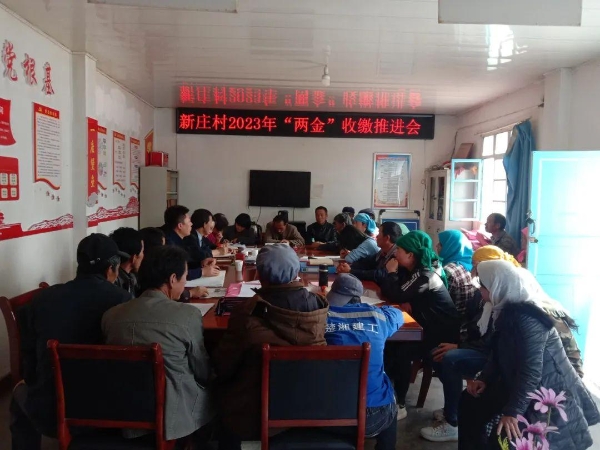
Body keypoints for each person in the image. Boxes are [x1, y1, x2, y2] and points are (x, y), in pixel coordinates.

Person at [459, 260, 599, 450]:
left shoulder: (528, 319)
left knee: (505, 439)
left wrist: (513, 412)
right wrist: (484, 378)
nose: (479, 291)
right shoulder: (501, 310)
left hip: (545, 392)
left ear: (497, 286)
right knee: (469, 402)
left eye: (482, 286)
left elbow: (531, 371)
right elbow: (497, 352)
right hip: (517, 382)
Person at [11, 234, 131, 450]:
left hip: (51, 413)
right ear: (110, 269)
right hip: (109, 413)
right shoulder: (121, 300)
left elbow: (30, 361)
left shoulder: (43, 299)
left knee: (18, 396)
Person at [213, 244, 328, 440]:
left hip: (256, 415)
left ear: (259, 275)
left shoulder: (246, 313)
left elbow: (223, 366)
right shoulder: (319, 306)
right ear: (297, 272)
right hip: (311, 407)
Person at [102, 246, 214, 442]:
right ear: (172, 279)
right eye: (185, 277)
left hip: (125, 410)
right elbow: (201, 371)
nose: (185, 282)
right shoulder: (188, 315)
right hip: (173, 416)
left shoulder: (111, 315)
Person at [383, 231, 460, 420]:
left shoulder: (425, 274)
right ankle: (387, 393)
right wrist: (402, 296)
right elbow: (394, 292)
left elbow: (396, 293)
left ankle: (400, 404)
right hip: (423, 326)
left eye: (399, 250)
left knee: (401, 350)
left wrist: (391, 274)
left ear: (410, 255)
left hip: (441, 333)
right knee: (389, 344)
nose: (395, 253)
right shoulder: (411, 270)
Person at [325, 274, 403, 450]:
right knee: (387, 388)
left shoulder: (320, 318)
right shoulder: (378, 318)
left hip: (326, 416)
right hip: (373, 418)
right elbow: (398, 314)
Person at [337, 222, 407, 285]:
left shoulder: (397, 255)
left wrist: (351, 271)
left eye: (379, 233)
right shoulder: (383, 251)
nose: (376, 236)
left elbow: (378, 274)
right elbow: (367, 263)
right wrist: (347, 266)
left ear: (386, 238)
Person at [436, 230, 476, 335]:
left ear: (450, 247)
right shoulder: (470, 265)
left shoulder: (448, 271)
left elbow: (439, 302)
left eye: (440, 244)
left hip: (451, 326)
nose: (436, 246)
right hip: (467, 323)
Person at [163, 205, 219, 280]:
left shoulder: (180, 240)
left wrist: (201, 263)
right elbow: (177, 274)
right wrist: (202, 272)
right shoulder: (169, 244)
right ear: (180, 226)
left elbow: (185, 264)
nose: (191, 224)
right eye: (189, 221)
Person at [110, 227, 145, 298]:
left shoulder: (131, 279)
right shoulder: (115, 285)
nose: (143, 256)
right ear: (134, 258)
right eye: (142, 252)